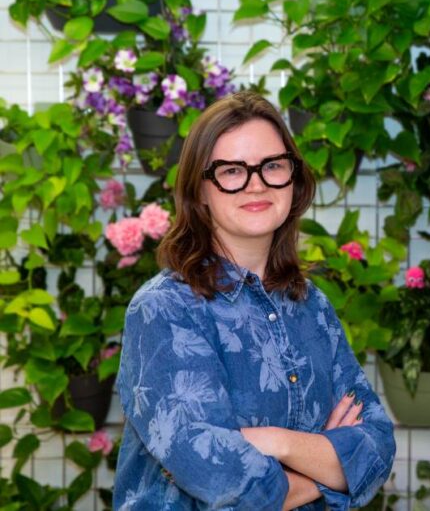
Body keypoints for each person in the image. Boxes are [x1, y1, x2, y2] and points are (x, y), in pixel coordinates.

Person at [114, 91, 395, 510]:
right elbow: (223, 479)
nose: (257, 182)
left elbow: (377, 445)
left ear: (294, 179)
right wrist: (329, 468)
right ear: (200, 192)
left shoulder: (310, 305)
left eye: (273, 165)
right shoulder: (164, 310)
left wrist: (276, 443)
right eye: (231, 171)